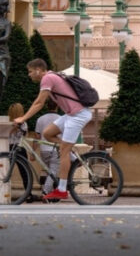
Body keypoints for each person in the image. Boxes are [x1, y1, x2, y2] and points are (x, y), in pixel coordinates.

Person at [12, 58, 93, 201]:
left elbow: (39, 103)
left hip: (78, 115)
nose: (29, 75)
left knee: (63, 152)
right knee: (48, 133)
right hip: (71, 115)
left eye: (30, 72)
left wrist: (22, 118)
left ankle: (61, 189)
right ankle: (73, 158)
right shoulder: (52, 76)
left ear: (38, 70)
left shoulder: (48, 78)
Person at [34, 101, 62, 196]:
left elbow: (37, 137)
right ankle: (45, 192)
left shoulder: (40, 119)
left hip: (43, 150)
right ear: (57, 106)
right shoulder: (61, 119)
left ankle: (50, 192)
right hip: (55, 149)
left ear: (47, 106)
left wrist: (33, 151)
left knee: (48, 172)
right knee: (53, 172)